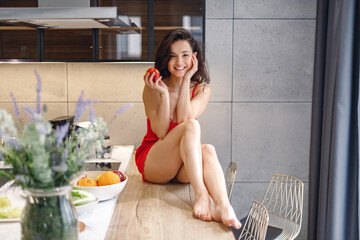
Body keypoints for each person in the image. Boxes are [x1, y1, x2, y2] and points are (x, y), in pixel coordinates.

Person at [135, 28, 241, 229]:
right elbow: (161, 132)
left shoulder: (202, 90)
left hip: (181, 165)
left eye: (185, 56)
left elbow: (183, 117)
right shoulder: (152, 87)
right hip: (153, 161)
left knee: (208, 149)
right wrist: (164, 95)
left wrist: (186, 81)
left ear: (194, 58)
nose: (179, 62)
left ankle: (223, 206)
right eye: (172, 56)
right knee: (192, 125)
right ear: (165, 59)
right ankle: (201, 195)